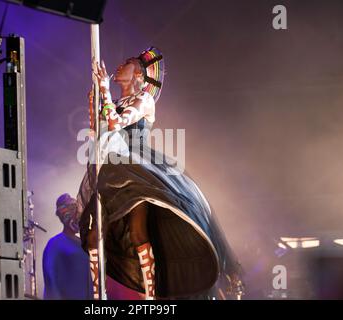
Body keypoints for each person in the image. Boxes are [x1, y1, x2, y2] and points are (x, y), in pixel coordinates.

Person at [77, 47, 243, 300]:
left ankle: (151, 297)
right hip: (109, 168)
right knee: (93, 234)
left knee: (137, 230)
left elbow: (115, 123)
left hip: (136, 168)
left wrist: (104, 91)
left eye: (128, 63)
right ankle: (99, 297)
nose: (120, 65)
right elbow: (98, 131)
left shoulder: (144, 100)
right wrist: (95, 101)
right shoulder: (113, 100)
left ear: (139, 77)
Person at [42, 193, 93, 299]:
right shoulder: (54, 244)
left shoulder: (83, 243)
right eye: (75, 213)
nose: (80, 217)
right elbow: (51, 282)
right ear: (65, 216)